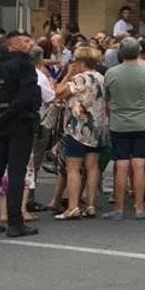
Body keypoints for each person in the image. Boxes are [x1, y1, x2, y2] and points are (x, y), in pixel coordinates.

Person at [0, 32, 41, 238]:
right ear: (13, 44)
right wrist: (9, 113)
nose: (29, 44)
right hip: (19, 123)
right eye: (25, 40)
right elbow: (26, 95)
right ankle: (15, 222)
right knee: (16, 173)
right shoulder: (24, 66)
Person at [100, 37, 145, 220]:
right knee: (139, 164)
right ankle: (139, 208)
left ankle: (118, 207)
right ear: (139, 51)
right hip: (142, 121)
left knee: (121, 164)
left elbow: (107, 99)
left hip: (119, 122)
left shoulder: (111, 73)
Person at [52, 46, 106, 220]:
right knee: (92, 167)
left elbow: (58, 93)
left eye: (75, 60)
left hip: (78, 127)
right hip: (97, 126)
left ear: (82, 62)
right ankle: (90, 204)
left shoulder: (80, 79)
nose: (73, 63)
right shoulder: (100, 77)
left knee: (73, 168)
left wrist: (67, 74)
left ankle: (73, 206)